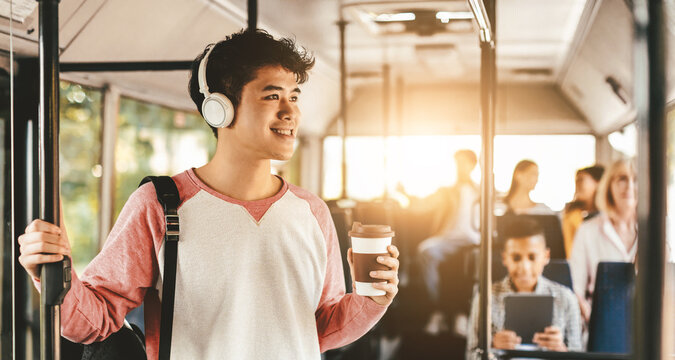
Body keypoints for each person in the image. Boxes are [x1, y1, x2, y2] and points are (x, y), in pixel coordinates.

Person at [17, 30, 400, 359]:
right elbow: (94, 321)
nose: (290, 112)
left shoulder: (311, 212)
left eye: (294, 97)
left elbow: (320, 328)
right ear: (220, 108)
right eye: (271, 96)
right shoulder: (160, 204)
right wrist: (54, 273)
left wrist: (373, 301)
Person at [466, 217, 582, 359]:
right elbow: (470, 355)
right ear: (505, 258)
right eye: (516, 258)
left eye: (532, 257)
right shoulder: (485, 298)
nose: (524, 268)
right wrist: (492, 349)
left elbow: (579, 355)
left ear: (546, 256)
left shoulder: (566, 298)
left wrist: (560, 351)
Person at [416, 150, 480, 333]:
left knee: (481, 259)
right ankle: (438, 308)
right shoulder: (446, 192)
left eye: (463, 163)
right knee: (425, 251)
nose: (459, 168)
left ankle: (465, 313)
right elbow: (422, 206)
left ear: (473, 165)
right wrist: (405, 195)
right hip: (448, 238)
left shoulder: (482, 191)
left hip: (474, 240)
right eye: (457, 163)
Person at [569, 159, 637, 323]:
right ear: (609, 185)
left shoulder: (660, 230)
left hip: (647, 321)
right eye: (622, 179)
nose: (629, 186)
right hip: (600, 320)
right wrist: (589, 315)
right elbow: (575, 288)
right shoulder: (587, 231)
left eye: (636, 179)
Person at [562, 165, 605, 258]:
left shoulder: (609, 215)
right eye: (576, 181)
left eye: (581, 180)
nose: (577, 185)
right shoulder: (572, 216)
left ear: (598, 182)